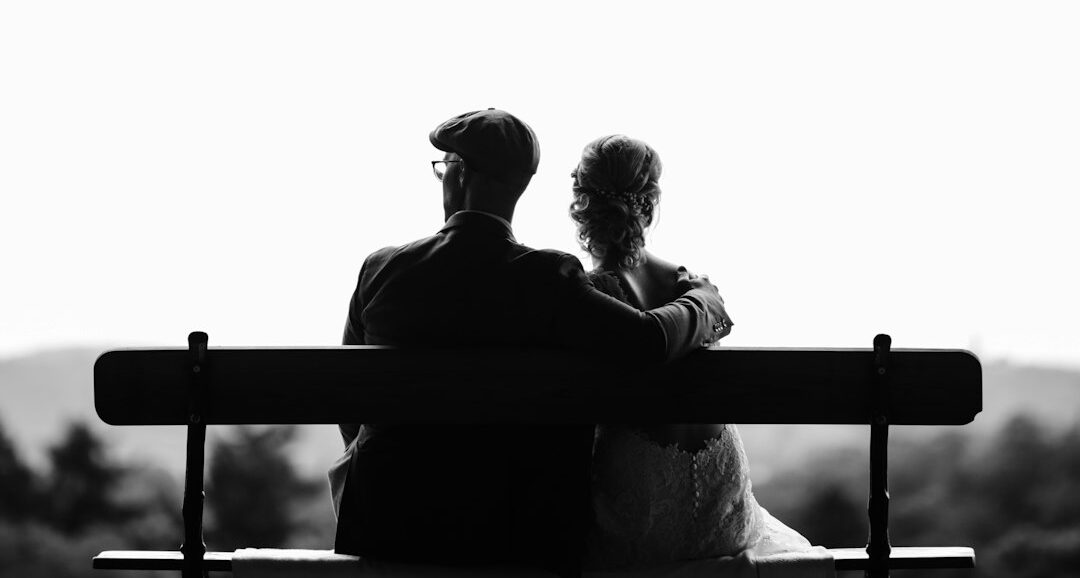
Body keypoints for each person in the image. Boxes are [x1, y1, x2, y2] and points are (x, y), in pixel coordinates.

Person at [329, 110, 732, 578]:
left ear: (459, 172)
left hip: (385, 522)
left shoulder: (380, 270)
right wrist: (704, 301)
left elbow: (347, 400)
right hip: (514, 534)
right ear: (519, 187)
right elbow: (648, 340)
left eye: (444, 167)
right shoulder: (548, 278)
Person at [568, 135, 813, 568]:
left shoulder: (589, 296)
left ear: (581, 203)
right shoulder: (691, 287)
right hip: (724, 492)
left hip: (643, 503)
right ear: (651, 201)